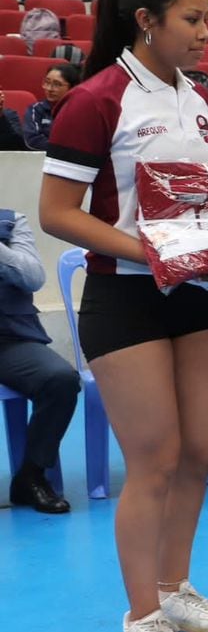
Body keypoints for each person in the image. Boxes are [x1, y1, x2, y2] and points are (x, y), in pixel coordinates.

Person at [38, 0, 208, 632]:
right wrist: (149, 252)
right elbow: (55, 215)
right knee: (153, 459)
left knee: (196, 453)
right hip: (125, 298)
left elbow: (206, 200)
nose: (206, 32)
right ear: (147, 20)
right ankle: (140, 617)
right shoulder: (96, 100)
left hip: (194, 295)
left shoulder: (198, 102)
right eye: (193, 18)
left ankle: (174, 589)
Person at [0, 207, 77, 514]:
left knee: (60, 379)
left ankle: (31, 476)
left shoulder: (11, 221)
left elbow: (33, 277)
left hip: (10, 339)